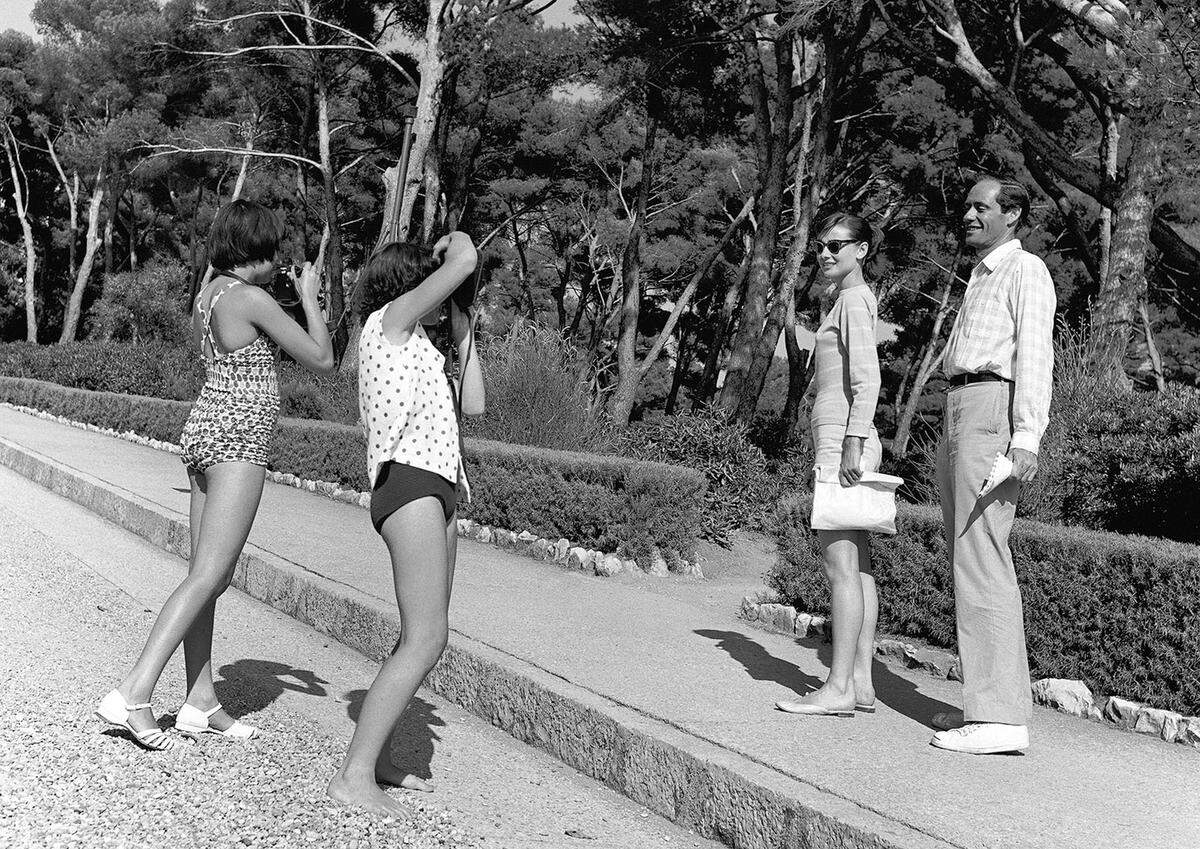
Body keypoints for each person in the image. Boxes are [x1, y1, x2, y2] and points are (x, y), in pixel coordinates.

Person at [96, 199, 335, 750]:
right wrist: (309, 299)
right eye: (273, 251)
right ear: (256, 251)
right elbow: (322, 359)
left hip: (205, 428)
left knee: (206, 574)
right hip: (238, 439)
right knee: (208, 575)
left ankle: (200, 699)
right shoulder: (251, 297)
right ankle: (133, 692)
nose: (278, 262)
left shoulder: (210, 296)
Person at [327, 231, 484, 816]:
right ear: (410, 282)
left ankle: (381, 759)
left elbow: (475, 405)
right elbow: (465, 255)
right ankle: (353, 776)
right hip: (410, 484)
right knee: (427, 637)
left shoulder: (421, 345)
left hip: (442, 489)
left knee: (419, 633)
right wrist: (454, 245)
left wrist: (464, 321)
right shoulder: (385, 323)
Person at [930, 176, 1055, 755]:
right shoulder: (982, 275)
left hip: (991, 409)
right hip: (962, 404)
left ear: (1014, 213)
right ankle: (989, 710)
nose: (969, 215)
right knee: (969, 551)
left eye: (982, 207)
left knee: (983, 553)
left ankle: (1001, 717)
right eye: (967, 208)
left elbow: (1033, 352)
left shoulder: (1024, 268)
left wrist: (1027, 437)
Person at [776, 212, 882, 718]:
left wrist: (851, 445)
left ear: (861, 249)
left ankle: (839, 687)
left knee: (841, 566)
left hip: (842, 443)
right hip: (843, 440)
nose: (825, 253)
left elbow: (868, 380)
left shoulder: (855, 302)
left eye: (837, 246)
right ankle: (858, 683)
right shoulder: (846, 302)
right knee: (857, 566)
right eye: (821, 245)